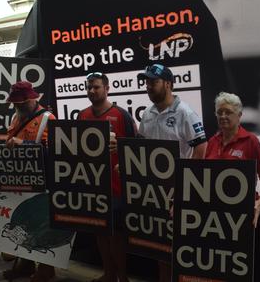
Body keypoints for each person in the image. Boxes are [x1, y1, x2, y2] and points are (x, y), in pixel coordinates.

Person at [137, 63, 207, 282]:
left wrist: (185, 186)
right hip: (154, 189)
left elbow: (201, 149)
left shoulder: (185, 112)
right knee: (159, 245)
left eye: (153, 82)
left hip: (178, 191)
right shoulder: (147, 113)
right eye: (146, 82)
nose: (148, 86)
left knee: (179, 247)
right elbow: (141, 146)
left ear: (168, 84)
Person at [204, 92, 260, 280]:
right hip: (217, 216)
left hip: (243, 215)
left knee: (242, 265)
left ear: (238, 115)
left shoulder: (251, 141)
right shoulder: (212, 142)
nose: (223, 116)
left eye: (228, 112)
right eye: (219, 112)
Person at [78, 72, 137, 282]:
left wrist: (120, 146)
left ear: (107, 88)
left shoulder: (122, 116)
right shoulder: (82, 115)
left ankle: (123, 277)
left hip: (116, 188)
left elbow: (136, 150)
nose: (92, 91)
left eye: (96, 87)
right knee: (100, 233)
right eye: (88, 87)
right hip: (93, 186)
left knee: (117, 236)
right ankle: (108, 274)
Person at [1, 81, 56, 282]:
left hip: (43, 180)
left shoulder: (48, 119)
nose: (19, 107)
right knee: (22, 222)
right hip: (20, 179)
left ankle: (46, 268)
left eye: (22, 103)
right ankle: (25, 264)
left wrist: (22, 144)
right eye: (16, 103)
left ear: (32, 99)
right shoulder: (16, 117)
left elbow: (51, 151)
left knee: (43, 224)